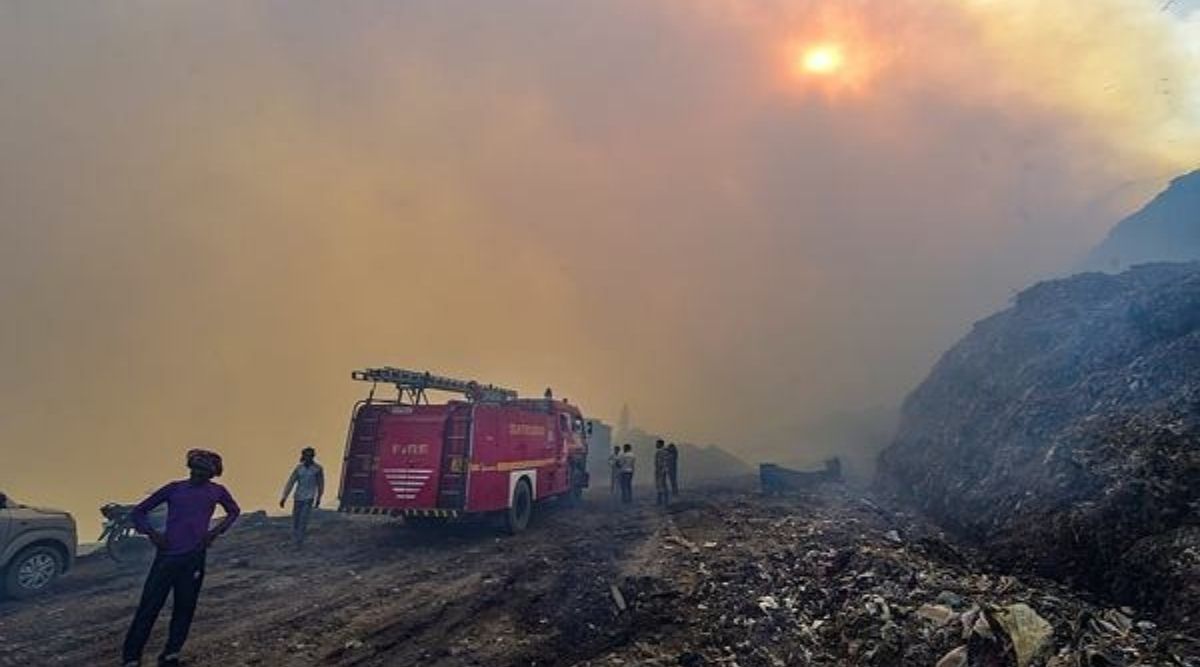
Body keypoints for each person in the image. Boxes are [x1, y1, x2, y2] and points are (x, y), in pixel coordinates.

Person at [122, 449, 240, 667]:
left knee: (185, 607)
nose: (199, 475)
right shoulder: (174, 488)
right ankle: (131, 658)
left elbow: (234, 511)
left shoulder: (217, 491)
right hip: (166, 556)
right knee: (149, 606)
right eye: (196, 470)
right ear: (191, 469)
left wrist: (215, 532)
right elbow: (138, 512)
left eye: (204, 472)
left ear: (212, 474)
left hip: (195, 556)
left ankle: (170, 655)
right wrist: (153, 534)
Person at [279, 445, 324, 546]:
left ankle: (299, 541)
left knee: (303, 520)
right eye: (306, 456)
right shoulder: (299, 468)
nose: (308, 458)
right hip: (298, 497)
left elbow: (321, 484)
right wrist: (284, 497)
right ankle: (295, 538)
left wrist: (319, 498)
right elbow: (290, 482)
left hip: (309, 497)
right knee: (296, 519)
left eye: (310, 456)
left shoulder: (317, 469)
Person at [653, 439, 671, 506]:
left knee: (660, 485)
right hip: (664, 470)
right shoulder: (666, 451)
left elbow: (659, 462)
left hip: (660, 470)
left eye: (657, 443)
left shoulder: (659, 452)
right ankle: (664, 500)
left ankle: (660, 501)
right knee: (663, 485)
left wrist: (658, 469)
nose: (656, 445)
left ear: (660, 444)